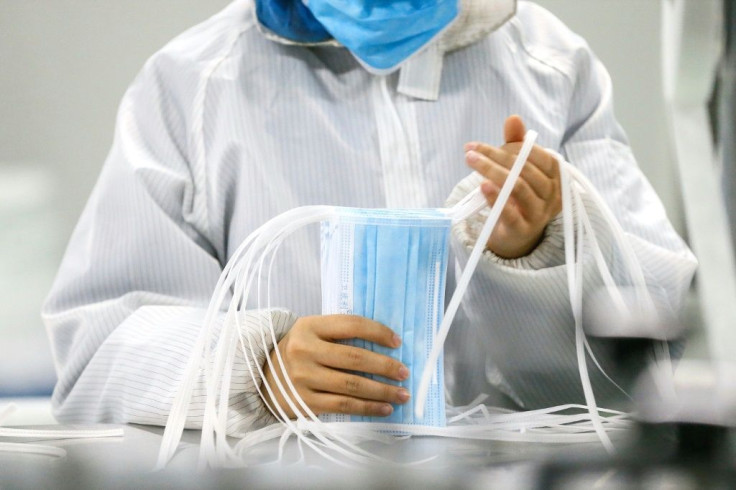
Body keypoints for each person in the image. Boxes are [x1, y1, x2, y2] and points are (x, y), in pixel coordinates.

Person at [43, 0, 697, 434]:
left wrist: (545, 245)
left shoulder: (552, 70)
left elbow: (656, 339)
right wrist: (256, 369)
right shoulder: (191, 88)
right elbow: (95, 356)